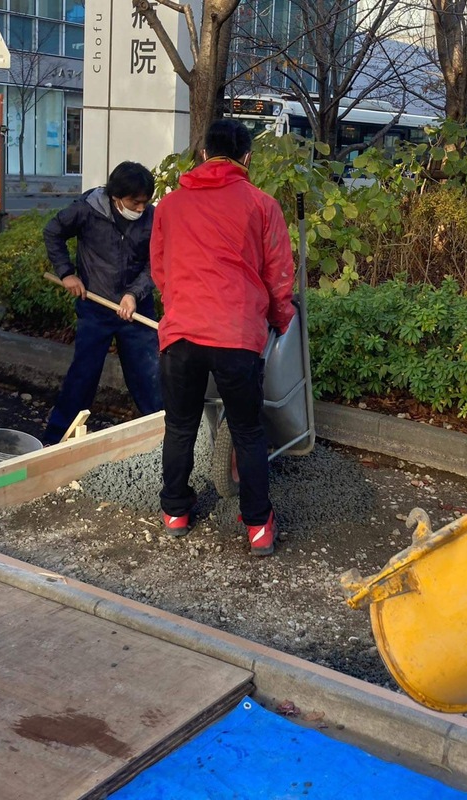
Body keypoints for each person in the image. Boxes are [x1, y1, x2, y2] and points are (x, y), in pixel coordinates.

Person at [150, 119, 295, 556]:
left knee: (179, 427)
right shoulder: (261, 204)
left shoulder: (170, 206)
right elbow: (278, 273)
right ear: (247, 158)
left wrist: (179, 306)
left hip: (181, 334)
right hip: (236, 335)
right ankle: (258, 528)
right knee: (249, 432)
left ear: (202, 156)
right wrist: (281, 317)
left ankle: (175, 511)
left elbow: (160, 269)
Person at [42, 161, 162, 445]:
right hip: (96, 307)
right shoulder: (87, 210)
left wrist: (134, 293)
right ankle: (57, 438)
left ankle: (163, 437)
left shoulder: (152, 219)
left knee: (149, 375)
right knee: (83, 374)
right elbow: (53, 232)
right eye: (135, 202)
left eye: (146, 202)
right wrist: (67, 273)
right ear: (116, 197)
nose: (141, 208)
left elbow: (156, 263)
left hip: (136, 309)